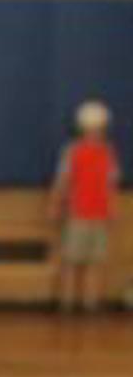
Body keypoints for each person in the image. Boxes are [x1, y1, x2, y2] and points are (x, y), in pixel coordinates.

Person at [49, 100, 121, 313]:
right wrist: (55, 204)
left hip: (99, 213)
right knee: (71, 260)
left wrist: (113, 208)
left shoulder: (108, 152)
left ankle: (91, 304)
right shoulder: (72, 151)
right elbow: (63, 180)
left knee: (95, 262)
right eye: (90, 128)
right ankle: (66, 303)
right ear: (82, 128)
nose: (94, 132)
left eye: (98, 128)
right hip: (78, 212)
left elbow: (111, 183)